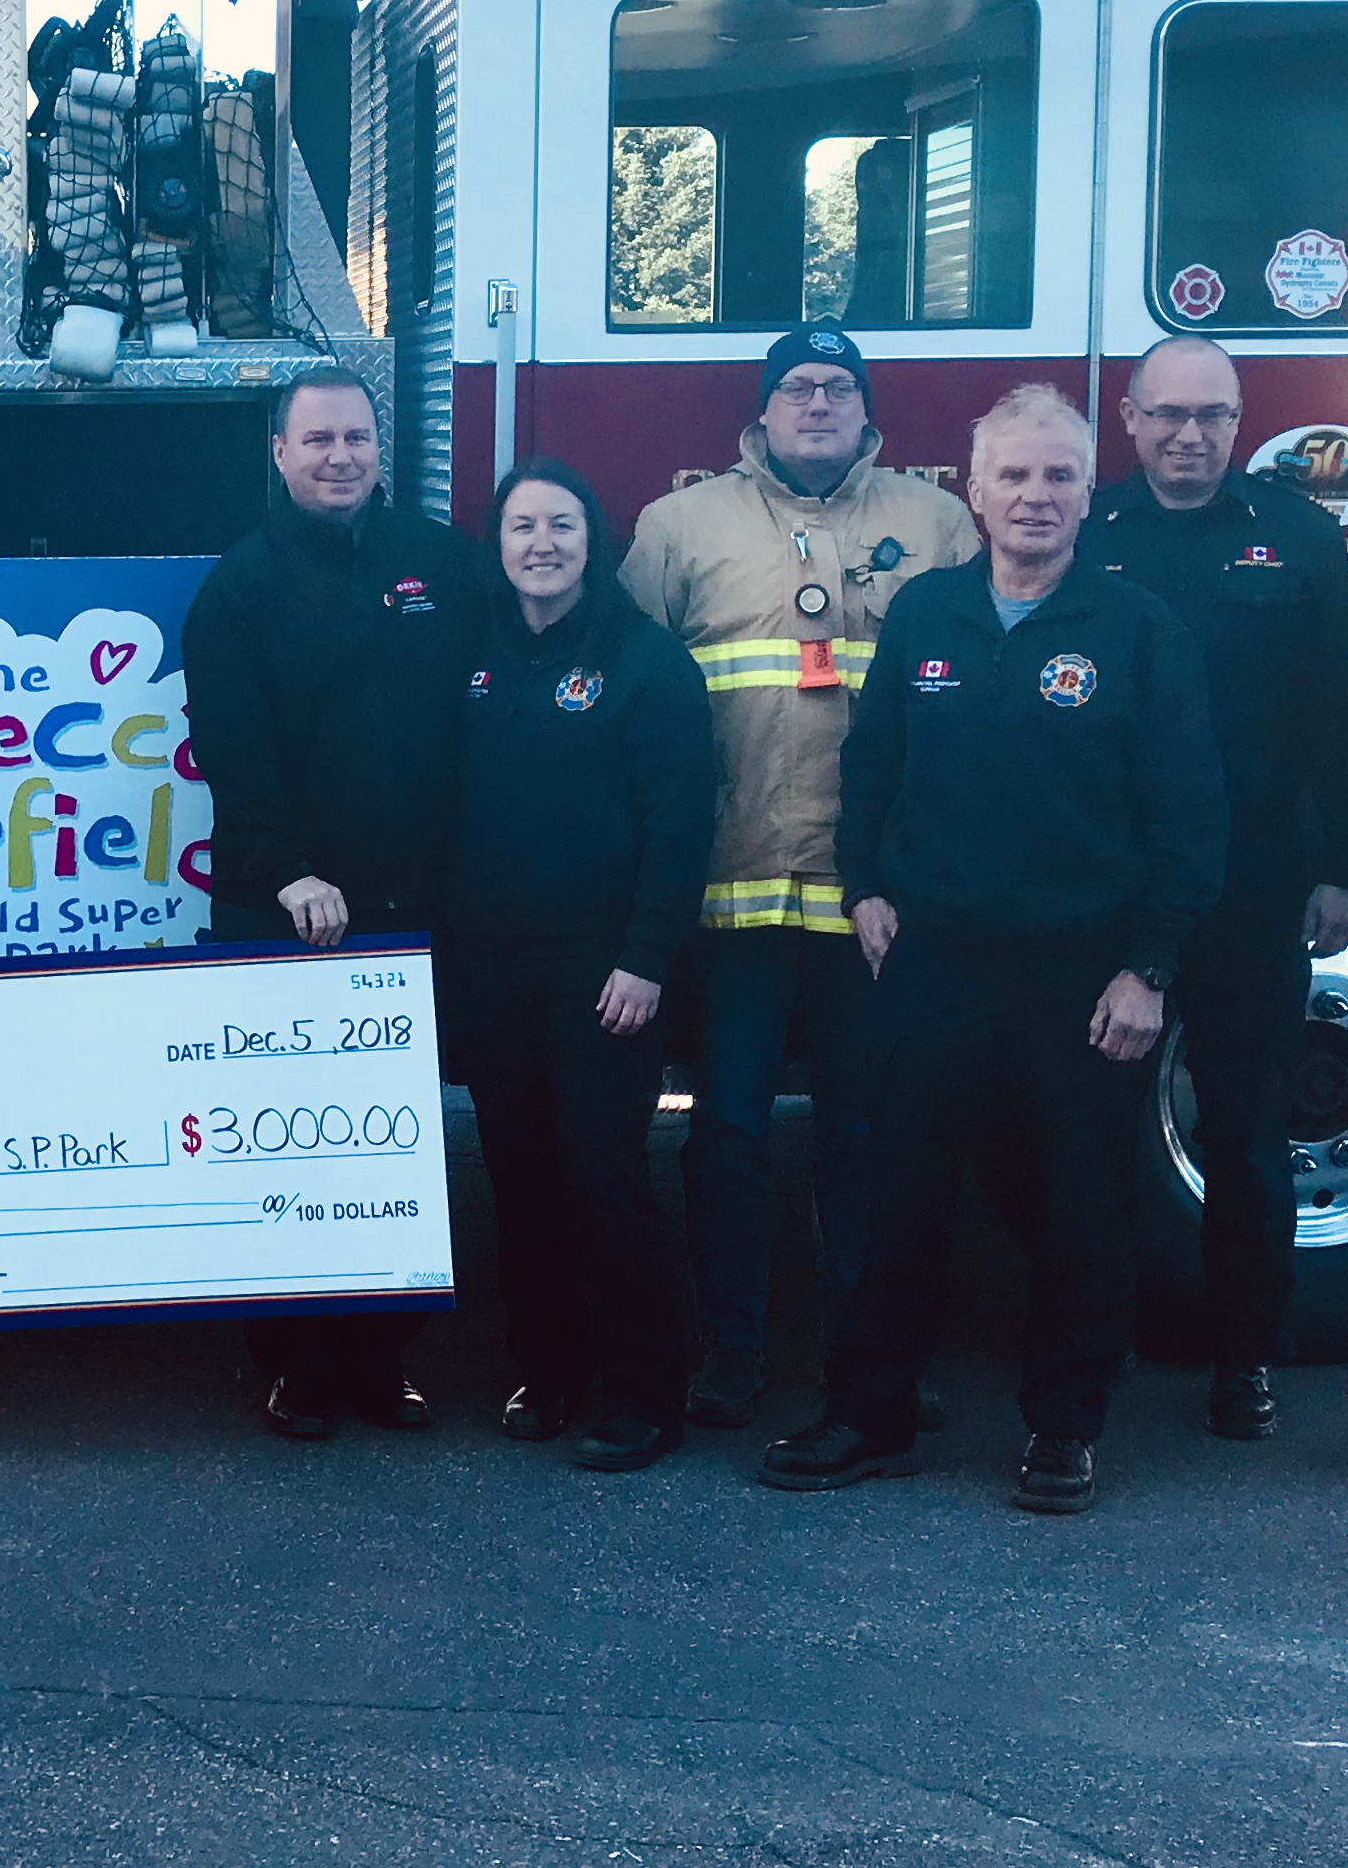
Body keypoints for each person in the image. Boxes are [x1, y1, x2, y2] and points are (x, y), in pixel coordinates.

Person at [761, 384, 1225, 1516]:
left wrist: (1148, 966)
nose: (1033, 496)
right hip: (931, 961)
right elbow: (869, 765)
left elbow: (1187, 810)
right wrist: (862, 886)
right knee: (900, 1192)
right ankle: (867, 1415)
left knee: (1078, 1202)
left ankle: (1063, 1428)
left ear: (1084, 493)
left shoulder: (1135, 630)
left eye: (1057, 475)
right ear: (969, 493)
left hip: (1080, 973)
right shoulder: (925, 613)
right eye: (1011, 475)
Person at [619, 327, 978, 1429]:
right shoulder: (678, 527)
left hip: (876, 898)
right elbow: (627, 697)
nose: (814, 403)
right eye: (794, 388)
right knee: (724, 1130)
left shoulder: (934, 521)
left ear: (866, 413)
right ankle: (729, 1356)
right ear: (760, 411)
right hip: (732, 893)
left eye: (835, 388)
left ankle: (868, 1361)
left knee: (868, 1137)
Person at [181, 364, 495, 1439]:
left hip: (417, 908)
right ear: (277, 451)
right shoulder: (238, 585)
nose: (339, 457)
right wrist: (287, 871)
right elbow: (234, 753)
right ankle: (293, 1362)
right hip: (288, 911)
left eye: (356, 436)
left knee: (398, 1139)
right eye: (315, 440)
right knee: (288, 1146)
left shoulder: (441, 566)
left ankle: (381, 1357)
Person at [1078, 336, 1348, 1440]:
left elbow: (1343, 714)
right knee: (1094, 1131)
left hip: (1251, 878)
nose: (1187, 435)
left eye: (1210, 415)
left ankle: (1243, 1355)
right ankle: (1093, 1341)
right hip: (1109, 881)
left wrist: (1343, 863)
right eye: (1166, 414)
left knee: (1246, 1134)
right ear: (1127, 416)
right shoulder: (1086, 531)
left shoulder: (1296, 538)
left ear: (1240, 420)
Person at [442, 459, 718, 1471]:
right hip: (489, 966)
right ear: (497, 543)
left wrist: (647, 957)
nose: (541, 544)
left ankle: (643, 1392)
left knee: (603, 1177)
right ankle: (546, 1372)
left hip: (602, 972)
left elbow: (679, 824)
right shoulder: (469, 658)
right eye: (521, 526)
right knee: (519, 1179)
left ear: (592, 540)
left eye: (561, 524)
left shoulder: (644, 662)